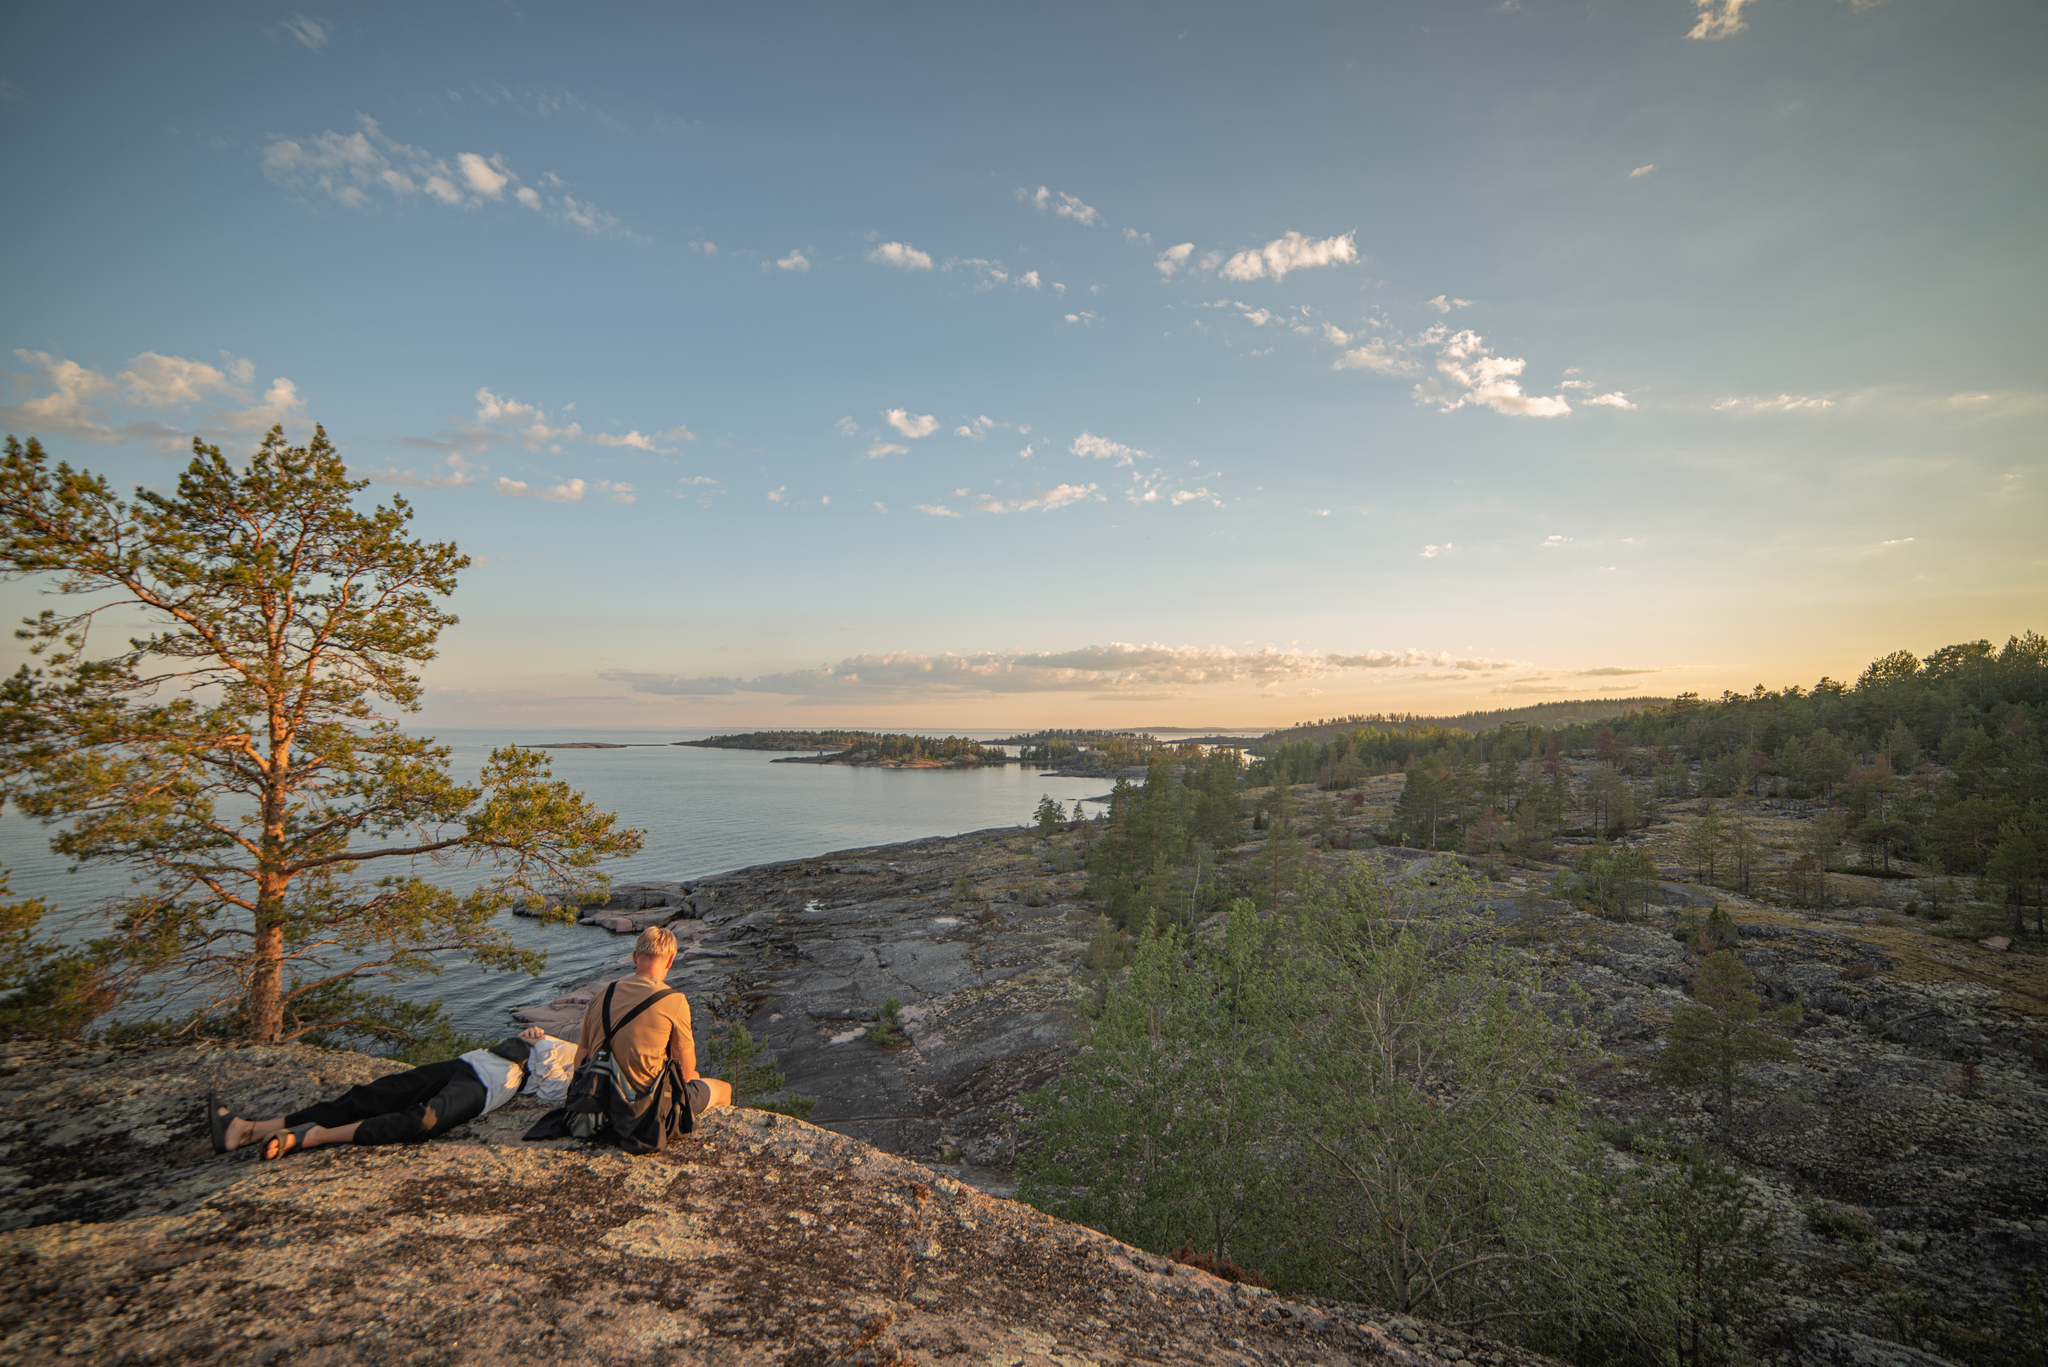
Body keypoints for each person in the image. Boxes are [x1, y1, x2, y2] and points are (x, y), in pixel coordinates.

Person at [209, 1025, 572, 1160]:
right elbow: (536, 1049)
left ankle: (313, 1137)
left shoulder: (588, 1072)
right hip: (471, 1060)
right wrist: (533, 1035)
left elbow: (552, 1092)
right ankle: (249, 1129)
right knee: (370, 1095)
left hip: (486, 1085)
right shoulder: (582, 1042)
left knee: (424, 1121)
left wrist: (540, 1051)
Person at [576, 925, 731, 1124]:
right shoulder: (674, 1000)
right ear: (670, 961)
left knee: (695, 1076)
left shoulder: (601, 996)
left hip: (598, 1102)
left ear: (634, 957)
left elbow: (580, 1060)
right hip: (644, 1109)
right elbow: (686, 1069)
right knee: (723, 1088)